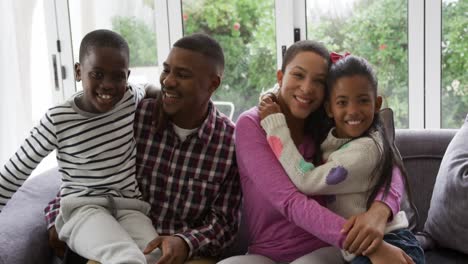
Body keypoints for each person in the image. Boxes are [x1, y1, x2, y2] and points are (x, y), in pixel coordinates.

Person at [45, 33, 242, 264]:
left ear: (212, 84)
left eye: (182, 74)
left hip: (182, 254)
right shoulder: (132, 116)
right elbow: (87, 174)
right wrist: (55, 218)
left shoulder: (231, 144)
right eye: (166, 70)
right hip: (119, 240)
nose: (167, 81)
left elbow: (224, 221)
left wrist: (185, 242)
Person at [220, 40, 414, 264]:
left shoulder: (326, 122)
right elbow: (290, 201)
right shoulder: (254, 123)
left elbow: (387, 164)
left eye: (319, 81)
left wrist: (380, 211)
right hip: (267, 251)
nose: (307, 88)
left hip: (324, 245)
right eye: (298, 75)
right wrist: (371, 246)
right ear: (281, 77)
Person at [0, 29, 162, 263]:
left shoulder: (128, 97)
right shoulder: (58, 119)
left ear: (127, 76)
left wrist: (161, 96)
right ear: (78, 72)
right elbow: (16, 170)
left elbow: (145, 88)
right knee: (126, 257)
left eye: (117, 76)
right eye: (97, 74)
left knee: (156, 255)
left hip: (130, 208)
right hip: (82, 211)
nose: (107, 85)